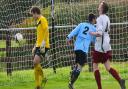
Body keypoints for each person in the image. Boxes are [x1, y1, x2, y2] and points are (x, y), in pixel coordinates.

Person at [90, 1, 126, 89]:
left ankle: (99, 88)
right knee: (108, 67)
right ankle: (120, 80)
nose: (98, 5)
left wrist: (92, 33)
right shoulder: (107, 18)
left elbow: (99, 33)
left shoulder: (99, 19)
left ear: (102, 9)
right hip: (106, 44)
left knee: (95, 66)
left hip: (100, 46)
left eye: (100, 5)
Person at [67, 13, 97, 89]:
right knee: (80, 67)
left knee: (78, 65)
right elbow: (94, 40)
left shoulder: (81, 24)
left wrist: (68, 37)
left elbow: (74, 31)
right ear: (93, 19)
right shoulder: (93, 28)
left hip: (77, 48)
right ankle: (71, 83)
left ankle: (73, 73)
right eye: (95, 19)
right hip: (83, 49)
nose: (95, 20)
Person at [30, 6, 50, 89]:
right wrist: (35, 46)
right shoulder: (38, 21)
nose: (32, 16)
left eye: (32, 14)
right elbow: (39, 36)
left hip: (43, 45)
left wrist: (43, 43)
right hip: (38, 45)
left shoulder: (42, 19)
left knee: (35, 62)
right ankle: (38, 85)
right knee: (36, 65)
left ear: (35, 13)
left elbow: (46, 30)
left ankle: (44, 78)